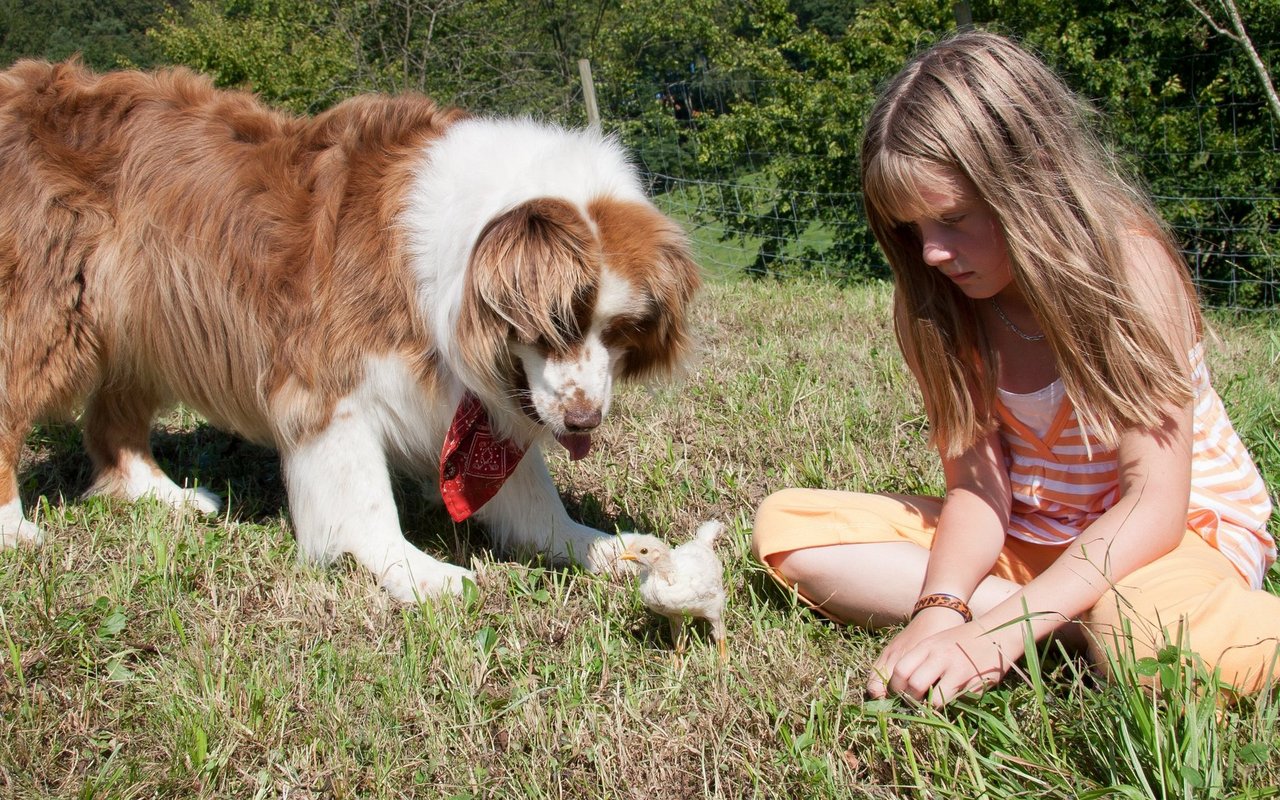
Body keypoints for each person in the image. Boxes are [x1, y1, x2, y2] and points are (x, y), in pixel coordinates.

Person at [751, 30, 1279, 705]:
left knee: (1148, 641)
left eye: (952, 218)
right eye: (911, 229)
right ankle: (1074, 621)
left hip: (1169, 539)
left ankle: (1085, 621)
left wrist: (1000, 631)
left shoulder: (1130, 271)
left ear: (1032, 177)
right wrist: (940, 607)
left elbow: (1154, 503)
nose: (931, 252)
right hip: (1034, 537)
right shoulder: (937, 300)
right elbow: (978, 491)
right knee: (789, 528)